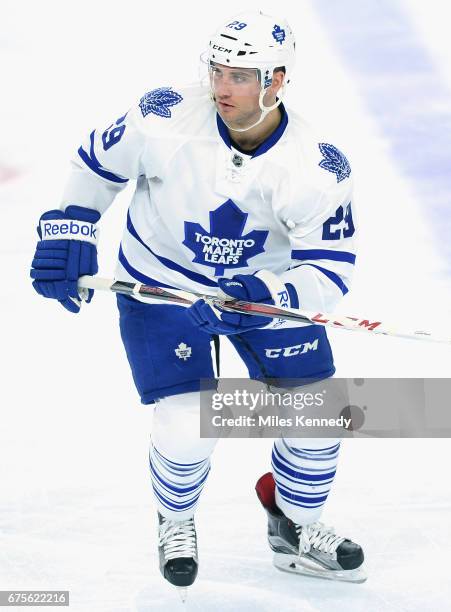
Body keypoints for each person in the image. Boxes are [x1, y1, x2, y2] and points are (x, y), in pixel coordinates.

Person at [30, 9, 364, 598]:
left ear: (277, 81)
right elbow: (95, 166)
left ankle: (295, 526)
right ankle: (175, 519)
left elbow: (331, 268)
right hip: (162, 285)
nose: (221, 87)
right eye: (217, 70)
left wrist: (266, 296)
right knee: (189, 424)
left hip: (261, 294)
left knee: (318, 415)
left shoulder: (318, 165)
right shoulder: (162, 114)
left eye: (240, 75)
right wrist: (69, 225)